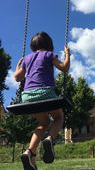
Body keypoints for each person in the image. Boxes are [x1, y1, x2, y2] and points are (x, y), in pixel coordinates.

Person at [14, 31, 70, 170]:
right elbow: (64, 68)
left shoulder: (27, 59)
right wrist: (67, 54)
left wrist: (18, 65)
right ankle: (49, 139)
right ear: (49, 44)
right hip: (45, 92)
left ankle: (30, 152)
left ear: (33, 45)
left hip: (27, 96)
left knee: (43, 122)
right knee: (58, 117)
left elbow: (17, 78)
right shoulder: (49, 54)